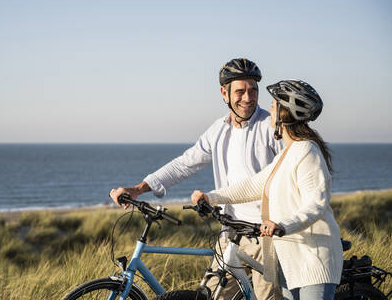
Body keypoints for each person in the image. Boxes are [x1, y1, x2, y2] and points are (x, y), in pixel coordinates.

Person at [110, 58, 284, 300]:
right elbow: (184, 164)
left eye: (253, 90)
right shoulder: (218, 130)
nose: (248, 97)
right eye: (240, 91)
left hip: (266, 236)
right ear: (225, 93)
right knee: (211, 297)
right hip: (230, 233)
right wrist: (140, 188)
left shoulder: (271, 126)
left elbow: (290, 173)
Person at [191, 80, 343, 300]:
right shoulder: (286, 153)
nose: (269, 110)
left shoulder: (307, 151)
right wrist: (211, 197)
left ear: (285, 114)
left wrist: (282, 225)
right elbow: (253, 185)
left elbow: (316, 204)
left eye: (274, 106)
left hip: (312, 260)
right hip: (289, 264)